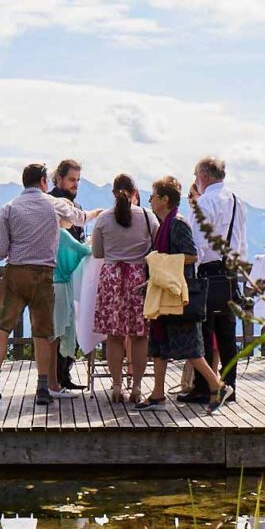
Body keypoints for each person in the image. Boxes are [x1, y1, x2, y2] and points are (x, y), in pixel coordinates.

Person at [0, 163, 94, 409]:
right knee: (43, 333)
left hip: (15, 273)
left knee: (1, 328)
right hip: (44, 274)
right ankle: (43, 387)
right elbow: (78, 218)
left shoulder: (9, 207)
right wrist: (96, 213)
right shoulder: (53, 205)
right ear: (44, 181)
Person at [140, 176, 231, 412]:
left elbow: (191, 254)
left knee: (190, 347)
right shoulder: (164, 224)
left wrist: (159, 261)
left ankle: (217, 385)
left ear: (165, 200)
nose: (150, 200)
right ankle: (158, 394)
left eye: (153, 196)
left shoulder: (177, 223)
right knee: (159, 345)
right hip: (165, 292)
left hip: (178, 295)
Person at [183, 156, 247, 405]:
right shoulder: (237, 201)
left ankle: (205, 387)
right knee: (227, 332)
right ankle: (229, 384)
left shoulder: (204, 203)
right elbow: (241, 240)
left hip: (208, 271)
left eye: (196, 176)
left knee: (204, 329)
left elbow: (197, 244)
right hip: (230, 271)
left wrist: (192, 271)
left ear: (204, 177)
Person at [91, 173, 157, 404]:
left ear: (113, 193)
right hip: (138, 278)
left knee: (114, 336)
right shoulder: (148, 218)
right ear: (135, 192)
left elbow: (97, 253)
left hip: (111, 278)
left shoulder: (103, 219)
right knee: (139, 335)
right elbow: (157, 249)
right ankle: (137, 386)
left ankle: (117, 385)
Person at [49, 158, 87, 391]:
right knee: (56, 327)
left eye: (78, 180)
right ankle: (54, 377)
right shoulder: (50, 203)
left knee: (72, 324)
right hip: (56, 275)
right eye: (72, 179)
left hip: (74, 272)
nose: (76, 184)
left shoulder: (78, 207)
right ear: (59, 178)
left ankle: (65, 373)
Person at [52, 218, 90, 395]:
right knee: (60, 332)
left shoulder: (49, 233)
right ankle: (59, 379)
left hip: (50, 284)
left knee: (55, 332)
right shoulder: (63, 234)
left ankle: (55, 378)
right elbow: (83, 250)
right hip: (61, 285)